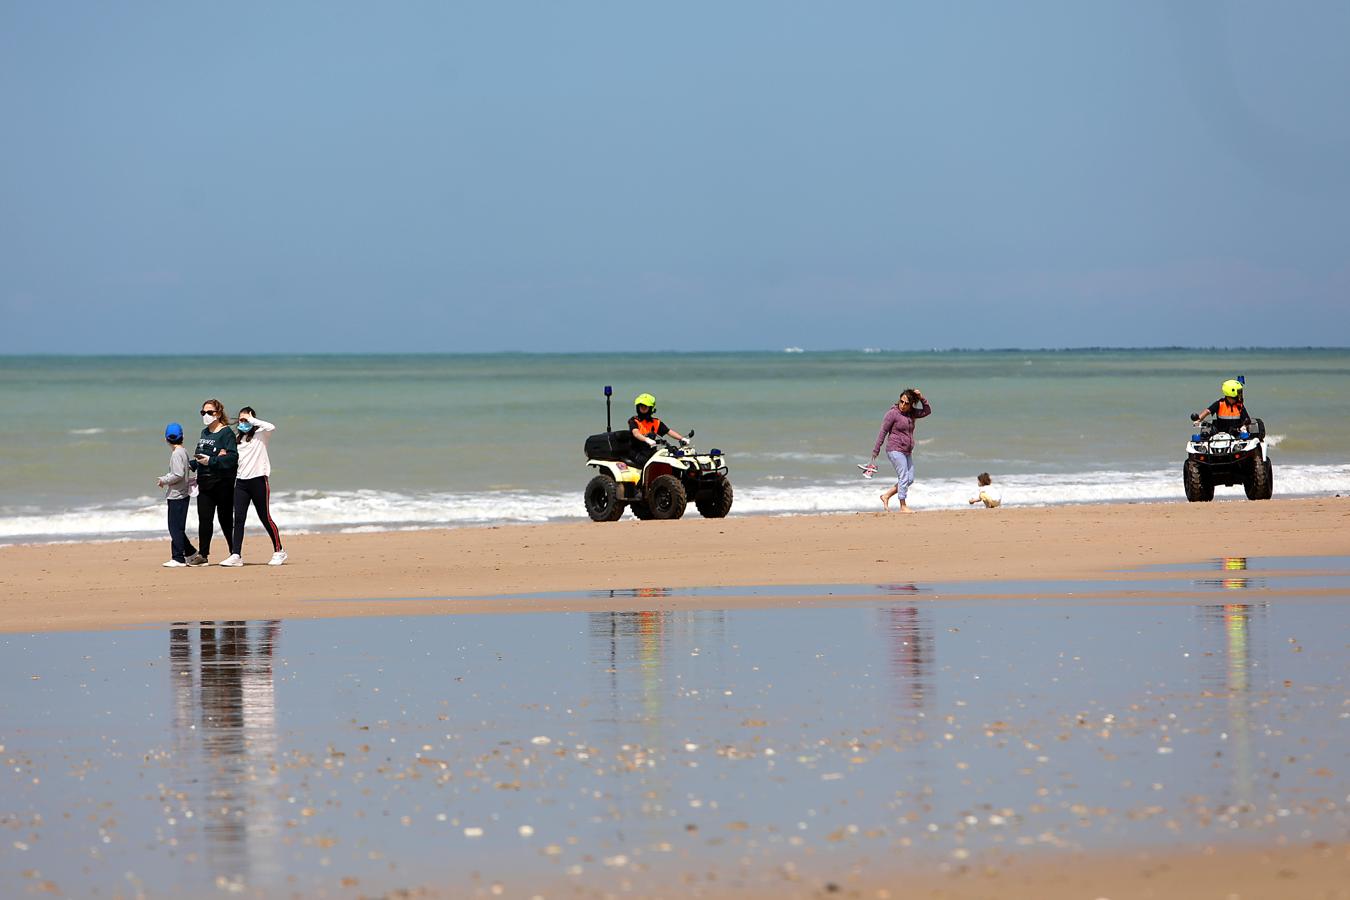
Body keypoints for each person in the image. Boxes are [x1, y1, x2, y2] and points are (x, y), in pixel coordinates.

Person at [230, 407, 287, 567]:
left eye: (246, 420)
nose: (243, 423)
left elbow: (271, 426)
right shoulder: (237, 439)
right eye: (241, 420)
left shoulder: (261, 434)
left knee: (265, 517)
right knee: (239, 519)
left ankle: (279, 551)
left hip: (259, 481)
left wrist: (252, 420)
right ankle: (236, 555)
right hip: (241, 482)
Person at [184, 399, 239, 567]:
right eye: (203, 413)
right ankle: (203, 554)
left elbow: (232, 458)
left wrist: (213, 461)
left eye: (210, 412)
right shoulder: (204, 433)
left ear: (218, 413)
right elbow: (200, 455)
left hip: (223, 483)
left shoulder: (226, 433)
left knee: (225, 520)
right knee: (205, 520)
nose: (206, 416)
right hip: (204, 482)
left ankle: (234, 553)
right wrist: (189, 465)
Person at [869, 388, 933, 513]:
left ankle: (886, 496)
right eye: (901, 401)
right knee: (903, 476)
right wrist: (876, 450)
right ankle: (903, 506)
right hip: (894, 449)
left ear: (911, 404)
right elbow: (883, 431)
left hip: (906, 451)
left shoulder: (912, 413)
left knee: (909, 479)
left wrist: (921, 397)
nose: (903, 405)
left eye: (906, 403)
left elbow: (927, 411)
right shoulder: (892, 413)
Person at [156, 423, 198, 567]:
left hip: (177, 496)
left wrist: (164, 480)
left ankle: (178, 558)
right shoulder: (183, 451)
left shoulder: (176, 454)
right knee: (178, 527)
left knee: (175, 528)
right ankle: (191, 553)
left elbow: (178, 474)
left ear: (166, 439)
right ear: (182, 437)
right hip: (182, 494)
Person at [628, 393, 686, 463]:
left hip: (650, 451)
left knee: (668, 458)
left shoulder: (656, 422)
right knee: (651, 463)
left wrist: (682, 438)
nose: (643, 408)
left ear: (651, 408)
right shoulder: (634, 420)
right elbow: (636, 433)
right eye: (641, 406)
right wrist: (646, 439)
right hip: (637, 452)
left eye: (645, 406)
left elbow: (669, 431)